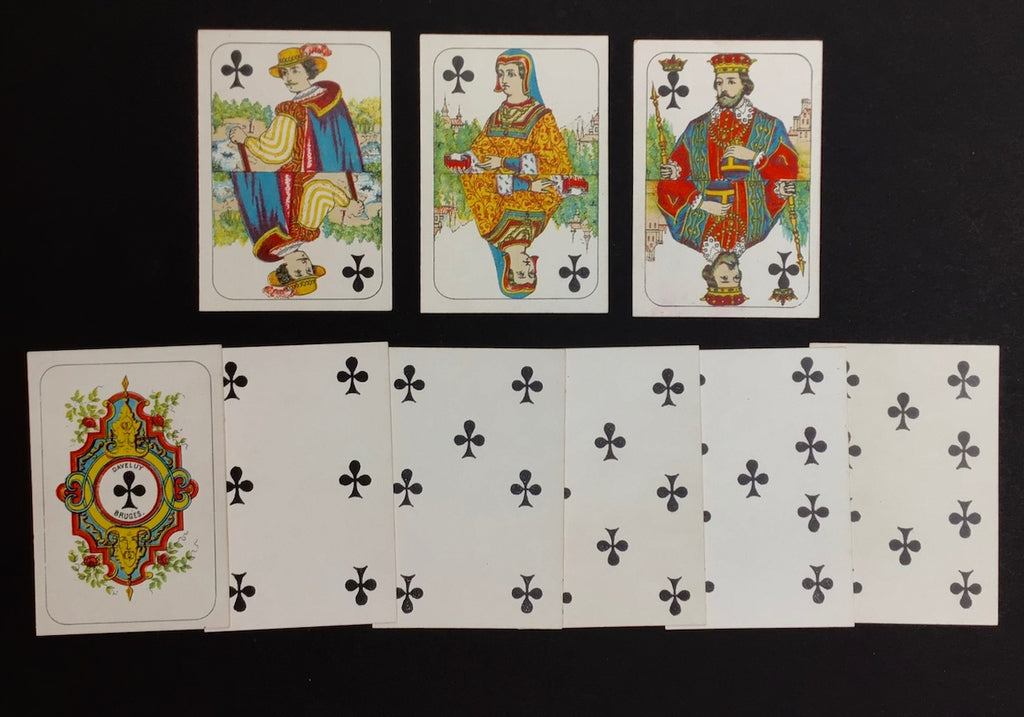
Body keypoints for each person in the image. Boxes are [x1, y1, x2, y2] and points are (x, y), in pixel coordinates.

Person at [656, 53, 797, 304]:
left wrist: (754, 157)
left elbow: (788, 172)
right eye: (719, 82)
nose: (723, 89)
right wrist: (681, 180)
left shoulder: (688, 235)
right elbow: (669, 182)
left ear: (744, 84)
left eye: (731, 82)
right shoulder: (756, 234)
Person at [229, 45, 364, 296]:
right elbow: (323, 187)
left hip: (295, 178)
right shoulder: (331, 101)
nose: (288, 78)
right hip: (313, 175)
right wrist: (347, 202)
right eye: (284, 73)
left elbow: (275, 151)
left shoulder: (292, 109)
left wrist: (245, 139)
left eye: (294, 71)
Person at [455, 49, 573, 298]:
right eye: (501, 74)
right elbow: (482, 161)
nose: (504, 79)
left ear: (524, 77)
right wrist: (470, 160)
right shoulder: (496, 117)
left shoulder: (492, 230)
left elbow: (552, 163)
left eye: (510, 73)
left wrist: (504, 164)